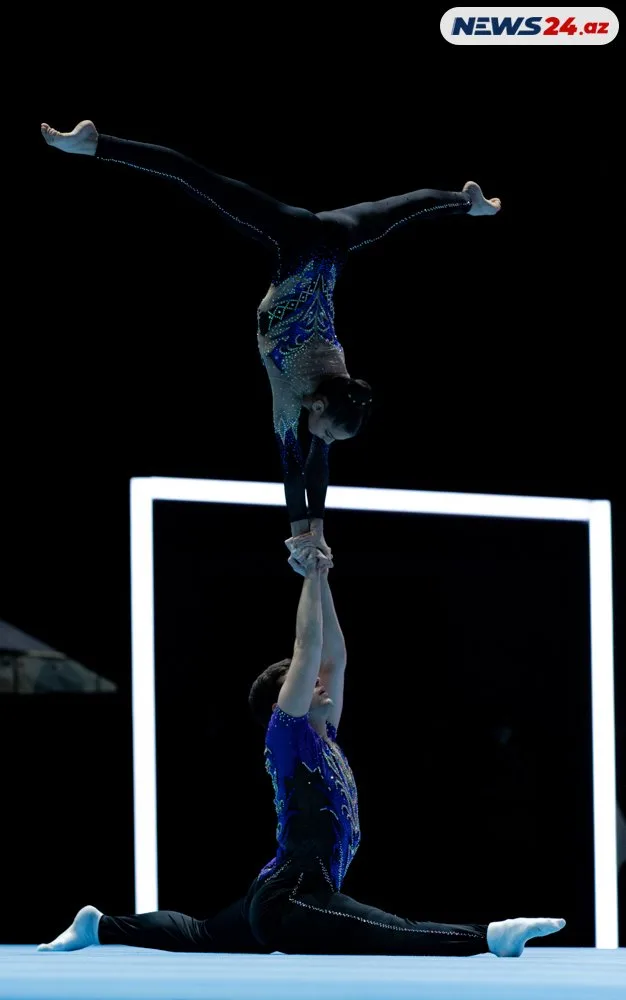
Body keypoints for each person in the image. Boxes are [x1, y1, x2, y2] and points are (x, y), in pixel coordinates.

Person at [41, 119, 501, 557]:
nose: (325, 442)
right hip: (297, 241)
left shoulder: (339, 385)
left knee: (403, 208)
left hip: (336, 239)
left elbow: (316, 461)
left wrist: (312, 531)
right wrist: (301, 533)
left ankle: (466, 201)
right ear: (318, 408)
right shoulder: (290, 389)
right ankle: (93, 143)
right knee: (200, 180)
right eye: (328, 434)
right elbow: (294, 466)